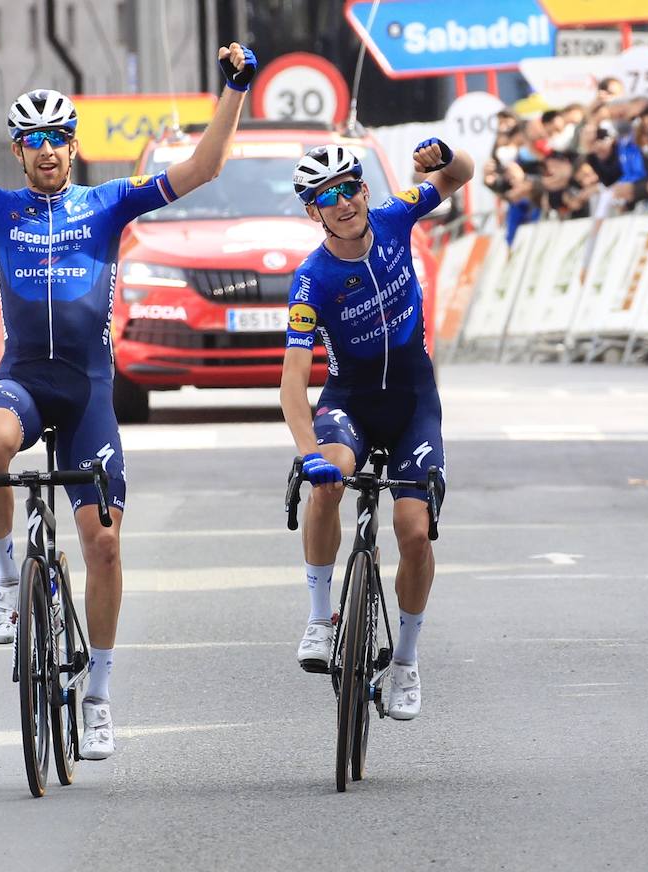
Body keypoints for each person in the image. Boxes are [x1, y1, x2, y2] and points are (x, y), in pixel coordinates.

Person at [0, 38, 256, 760]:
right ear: (17, 151)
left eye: (58, 139)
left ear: (73, 147)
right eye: (33, 140)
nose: (47, 150)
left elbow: (203, 166)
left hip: (89, 394)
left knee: (102, 544)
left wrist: (232, 89)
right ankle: (9, 576)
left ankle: (99, 696)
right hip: (25, 380)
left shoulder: (108, 204)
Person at [279, 136, 474, 721]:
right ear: (313, 212)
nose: (343, 202)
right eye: (326, 197)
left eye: (349, 188)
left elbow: (460, 175)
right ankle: (319, 617)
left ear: (365, 189)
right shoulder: (311, 280)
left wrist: (445, 156)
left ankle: (407, 662)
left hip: (414, 402)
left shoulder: (394, 216)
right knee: (328, 480)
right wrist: (308, 451)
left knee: (413, 530)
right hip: (351, 404)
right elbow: (293, 386)